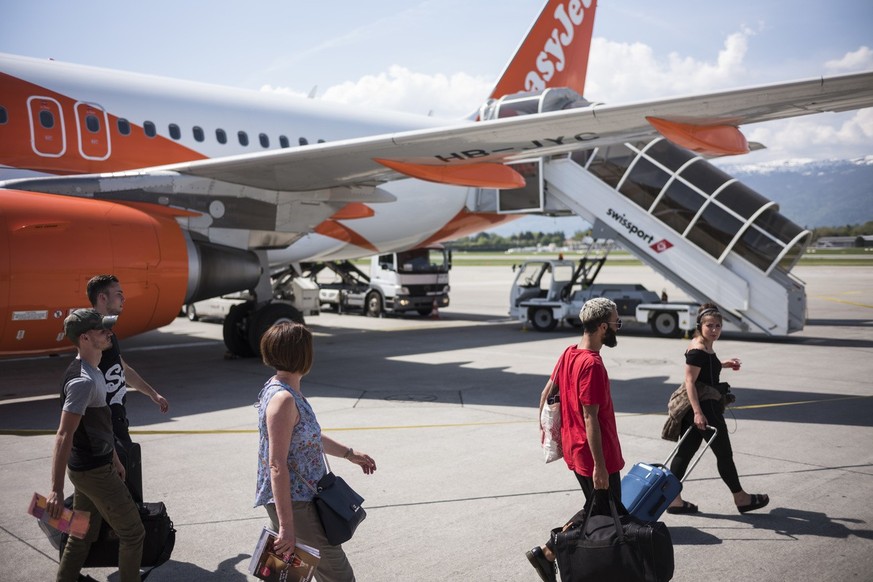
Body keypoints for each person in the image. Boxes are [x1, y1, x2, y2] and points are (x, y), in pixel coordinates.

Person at [254, 322, 377, 582]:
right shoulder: (283, 400)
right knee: (338, 575)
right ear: (303, 355)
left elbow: (307, 436)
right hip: (296, 503)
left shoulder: (286, 389)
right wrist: (287, 527)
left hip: (299, 498)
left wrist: (348, 453)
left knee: (291, 576)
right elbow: (276, 465)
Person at [526, 297, 625, 582]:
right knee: (605, 510)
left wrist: (547, 429)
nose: (618, 327)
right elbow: (590, 417)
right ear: (603, 327)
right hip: (594, 453)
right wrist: (600, 466)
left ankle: (551, 554)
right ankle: (548, 552)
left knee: (603, 508)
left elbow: (545, 393)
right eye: (616, 322)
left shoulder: (569, 353)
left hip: (575, 447)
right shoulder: (591, 365)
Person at [47, 308, 145, 582]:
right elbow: (64, 435)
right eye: (102, 330)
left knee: (80, 533)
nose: (109, 333)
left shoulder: (94, 370)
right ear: (85, 338)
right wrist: (55, 490)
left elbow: (100, 425)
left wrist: (114, 459)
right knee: (133, 532)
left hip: (93, 468)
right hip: (92, 472)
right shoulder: (82, 381)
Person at [665, 303, 769, 515]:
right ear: (700, 326)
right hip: (705, 408)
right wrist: (698, 413)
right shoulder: (697, 350)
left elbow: (706, 367)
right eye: (709, 325)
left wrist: (724, 364)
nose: (714, 330)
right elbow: (690, 382)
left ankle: (673, 500)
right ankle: (741, 498)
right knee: (724, 454)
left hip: (702, 408)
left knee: (685, 453)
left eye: (718, 326)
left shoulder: (704, 346)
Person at [87, 275, 169, 500]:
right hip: (106, 426)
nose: (124, 298)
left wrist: (152, 393)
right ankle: (57, 516)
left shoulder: (106, 332)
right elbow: (85, 375)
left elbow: (120, 368)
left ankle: (65, 523)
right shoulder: (94, 334)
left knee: (100, 496)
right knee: (118, 495)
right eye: (119, 294)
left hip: (116, 422)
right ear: (103, 298)